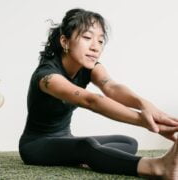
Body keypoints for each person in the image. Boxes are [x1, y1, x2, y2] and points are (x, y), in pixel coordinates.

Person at [19, 8, 178, 179]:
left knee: (128, 142)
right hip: (36, 146)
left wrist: (145, 105)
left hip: (66, 138)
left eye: (100, 41)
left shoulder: (89, 67)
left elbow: (112, 88)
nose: (95, 47)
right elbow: (90, 100)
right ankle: (157, 168)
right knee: (86, 147)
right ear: (65, 41)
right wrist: (148, 123)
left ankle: (81, 156)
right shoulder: (47, 77)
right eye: (87, 38)